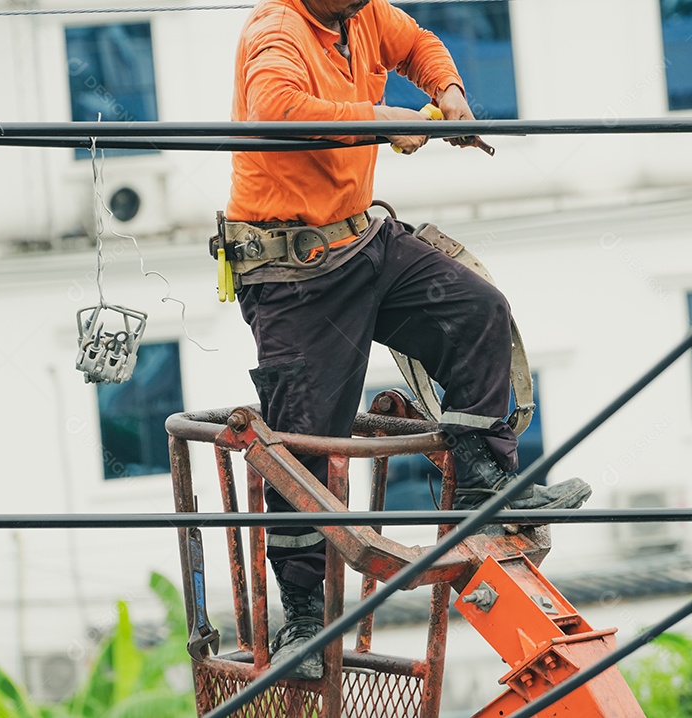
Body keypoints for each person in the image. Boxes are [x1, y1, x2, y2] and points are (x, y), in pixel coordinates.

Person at [223, 0, 591, 680]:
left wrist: (446, 93)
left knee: (476, 310)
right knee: (307, 439)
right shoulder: (276, 31)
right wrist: (382, 118)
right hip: (292, 270)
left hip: (363, 241)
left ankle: (478, 486)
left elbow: (417, 42)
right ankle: (304, 612)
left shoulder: (360, 17)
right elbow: (277, 109)